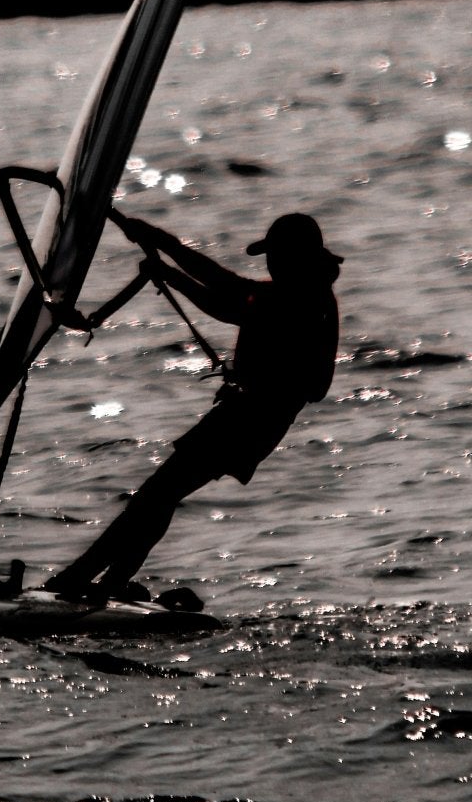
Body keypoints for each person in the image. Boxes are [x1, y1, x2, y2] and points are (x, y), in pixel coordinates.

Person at [44, 212, 342, 600]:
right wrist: (159, 242)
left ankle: (82, 579)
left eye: (278, 256)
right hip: (247, 418)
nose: (271, 264)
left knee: (157, 493)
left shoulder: (304, 299)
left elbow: (229, 300)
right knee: (162, 493)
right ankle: (109, 581)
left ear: (297, 257)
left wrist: (170, 273)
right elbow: (226, 285)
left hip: (249, 421)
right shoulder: (301, 293)